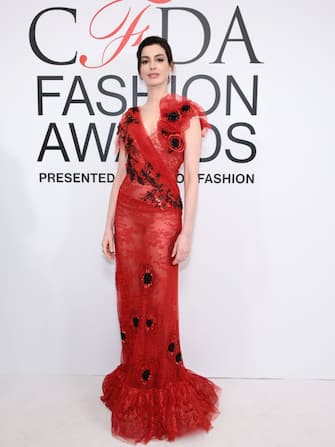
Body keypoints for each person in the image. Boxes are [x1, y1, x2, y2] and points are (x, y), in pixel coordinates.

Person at [100, 35, 221, 444]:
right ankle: (135, 378)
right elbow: (119, 174)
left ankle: (160, 387)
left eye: (159, 59)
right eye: (146, 60)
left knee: (159, 305)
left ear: (170, 66)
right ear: (139, 69)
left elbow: (192, 177)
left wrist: (187, 230)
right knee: (131, 302)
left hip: (165, 221)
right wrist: (106, 226)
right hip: (128, 220)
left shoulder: (186, 114)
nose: (152, 66)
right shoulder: (129, 119)